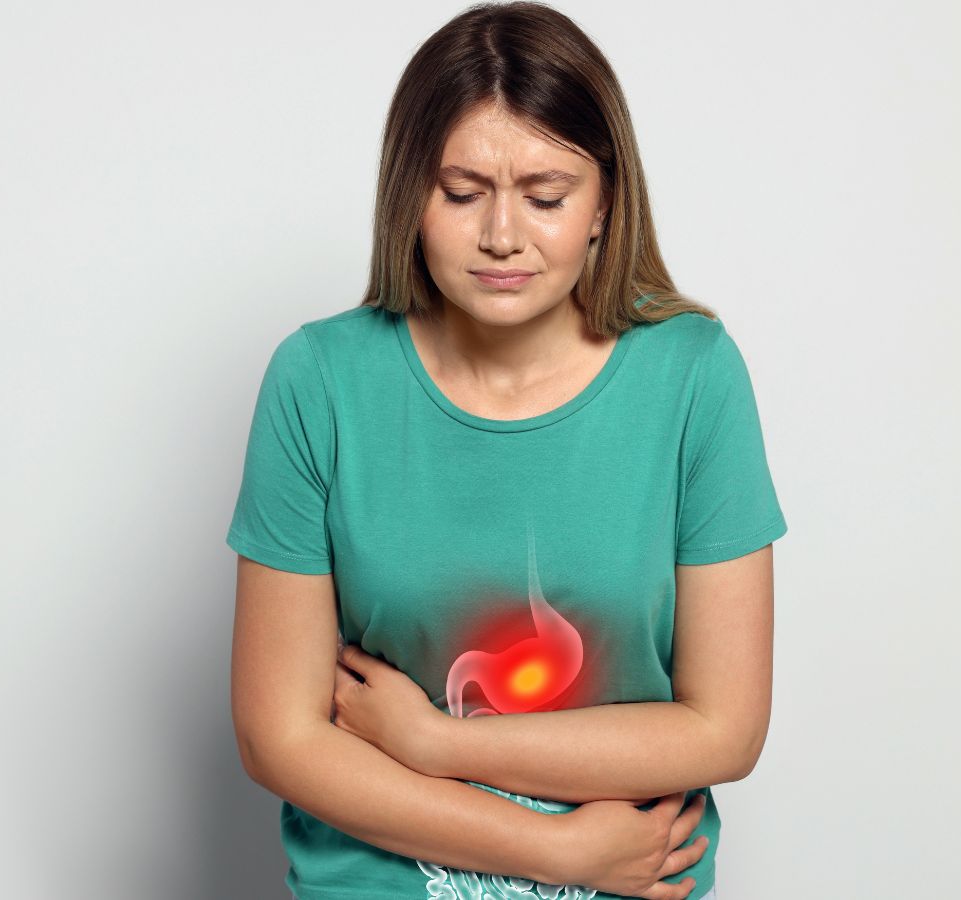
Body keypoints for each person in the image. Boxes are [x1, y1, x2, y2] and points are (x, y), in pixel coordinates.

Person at [226, 4, 785, 899]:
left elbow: (723, 729)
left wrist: (438, 741)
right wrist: (554, 849)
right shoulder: (320, 380)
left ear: (605, 201)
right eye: (461, 192)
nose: (501, 236)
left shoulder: (693, 377)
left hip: (636, 879)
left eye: (547, 195)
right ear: (410, 192)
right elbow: (278, 736)